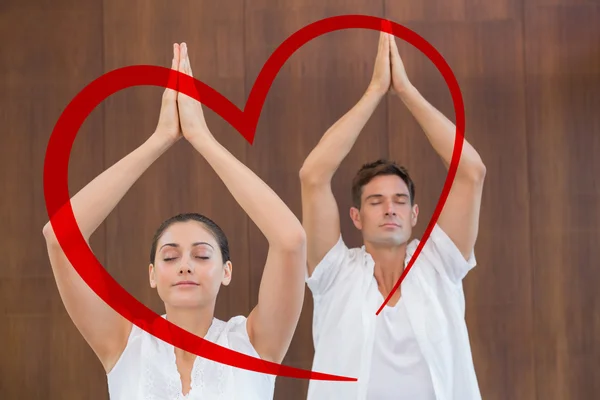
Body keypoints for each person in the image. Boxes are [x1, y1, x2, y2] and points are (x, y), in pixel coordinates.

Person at [42, 43, 307, 400]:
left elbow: (291, 240)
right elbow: (60, 237)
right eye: (170, 257)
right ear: (152, 274)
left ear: (226, 271)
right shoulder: (123, 343)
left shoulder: (254, 343)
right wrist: (159, 139)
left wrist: (203, 138)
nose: (185, 265)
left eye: (201, 255)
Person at [299, 32, 486, 399]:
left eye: (400, 200)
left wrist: (405, 91)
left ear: (415, 214)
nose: (389, 208)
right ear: (356, 216)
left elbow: (471, 171)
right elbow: (313, 175)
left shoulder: (439, 264)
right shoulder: (334, 274)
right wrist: (374, 93)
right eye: (376, 201)